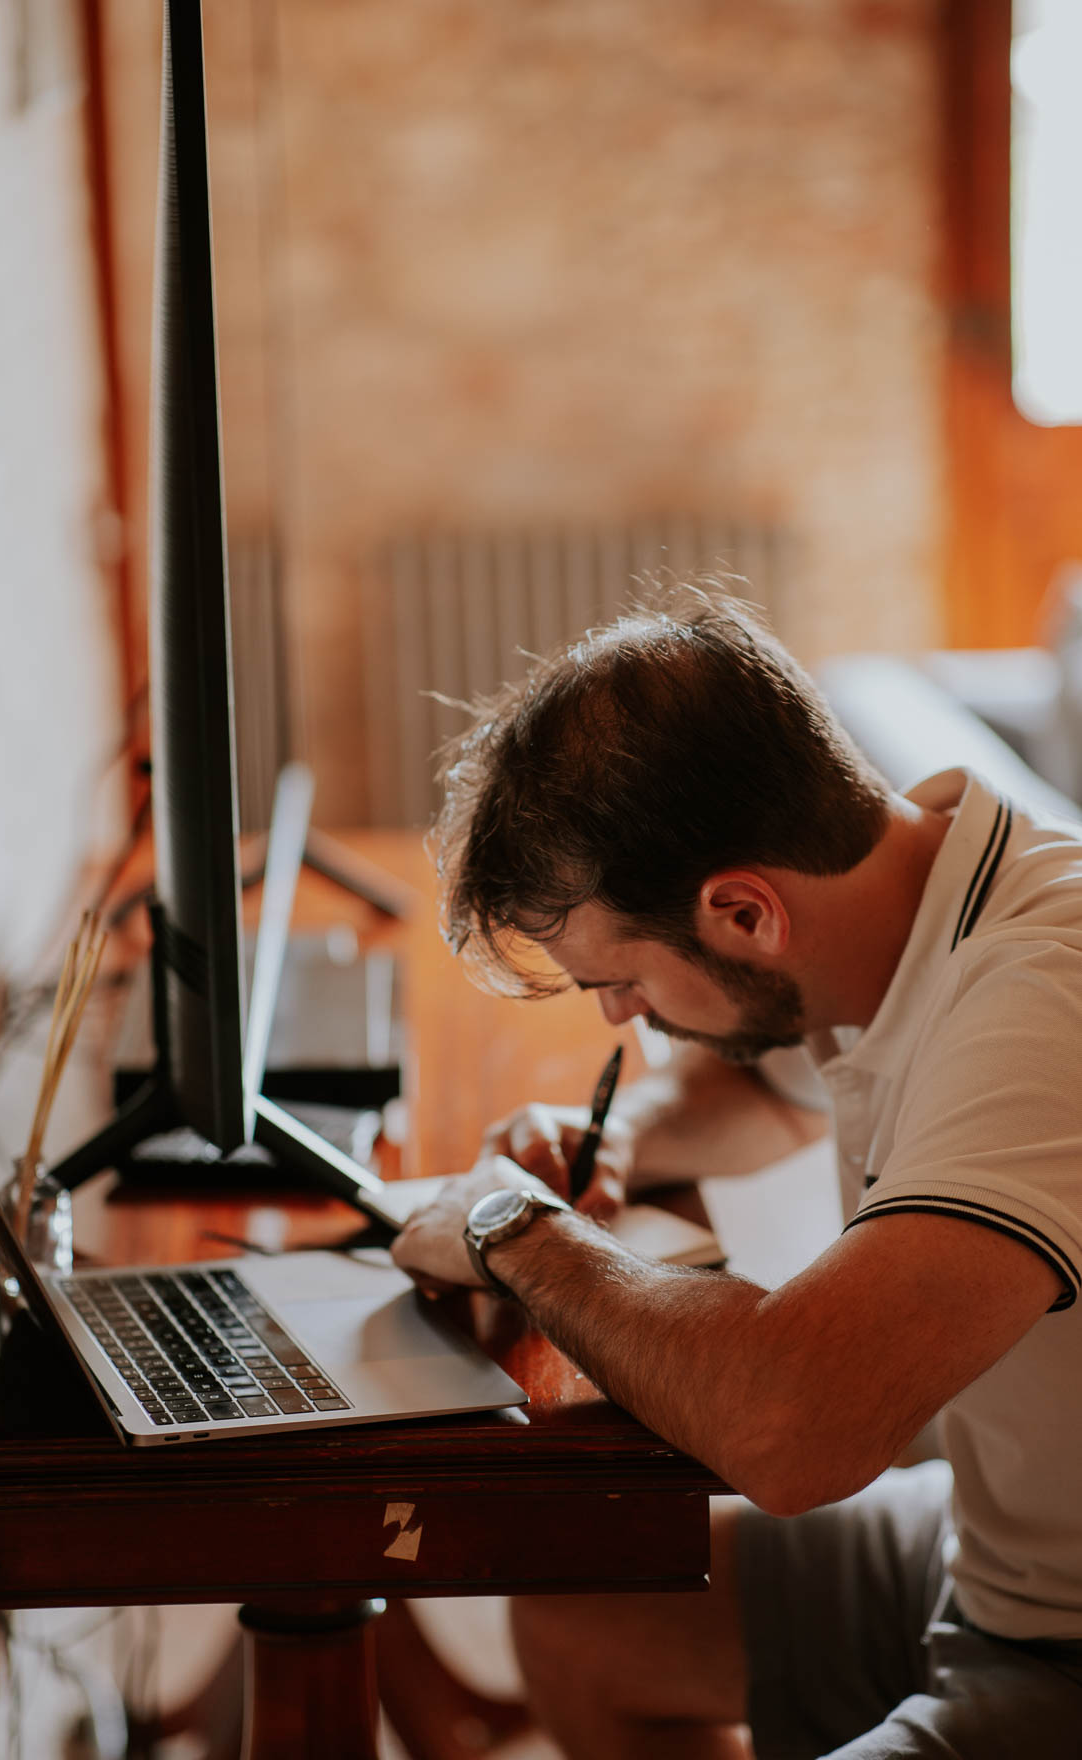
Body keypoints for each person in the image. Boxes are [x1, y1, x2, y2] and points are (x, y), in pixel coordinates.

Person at [391, 587, 1082, 1759]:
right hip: (999, 1550)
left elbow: (791, 1428)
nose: (620, 1016)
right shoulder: (900, 901)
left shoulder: (1044, 1001)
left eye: (623, 976)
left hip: (1062, 1637)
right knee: (587, 1613)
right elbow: (768, 1083)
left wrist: (514, 1224)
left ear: (744, 912)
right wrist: (619, 1134)